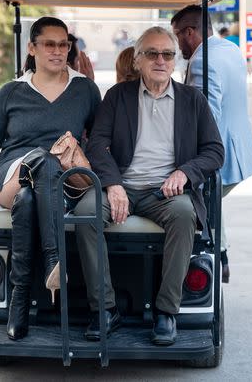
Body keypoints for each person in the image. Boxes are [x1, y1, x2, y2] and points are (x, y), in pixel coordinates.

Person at [74, 26, 224, 346]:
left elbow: (214, 151)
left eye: (167, 54)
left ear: (175, 62)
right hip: (123, 185)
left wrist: (185, 173)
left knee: (185, 215)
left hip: (166, 193)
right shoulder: (118, 97)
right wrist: (113, 185)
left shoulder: (192, 100)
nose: (160, 60)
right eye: (152, 54)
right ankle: (105, 309)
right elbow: (97, 145)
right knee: (86, 211)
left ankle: (166, 312)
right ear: (138, 60)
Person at [0, 17, 101, 341]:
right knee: (42, 163)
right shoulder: (11, 92)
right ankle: (53, 257)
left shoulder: (84, 90)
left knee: (29, 198)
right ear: (32, 48)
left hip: (62, 184)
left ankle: (19, 302)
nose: (58, 51)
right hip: (13, 170)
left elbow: (101, 140)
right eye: (50, 44)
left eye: (64, 44)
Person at [171, 5, 252, 284]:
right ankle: (222, 257)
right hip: (241, 150)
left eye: (177, 36)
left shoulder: (200, 61)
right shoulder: (230, 49)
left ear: (190, 32)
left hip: (222, 157)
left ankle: (212, 259)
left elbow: (206, 118)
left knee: (191, 200)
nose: (177, 44)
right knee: (209, 203)